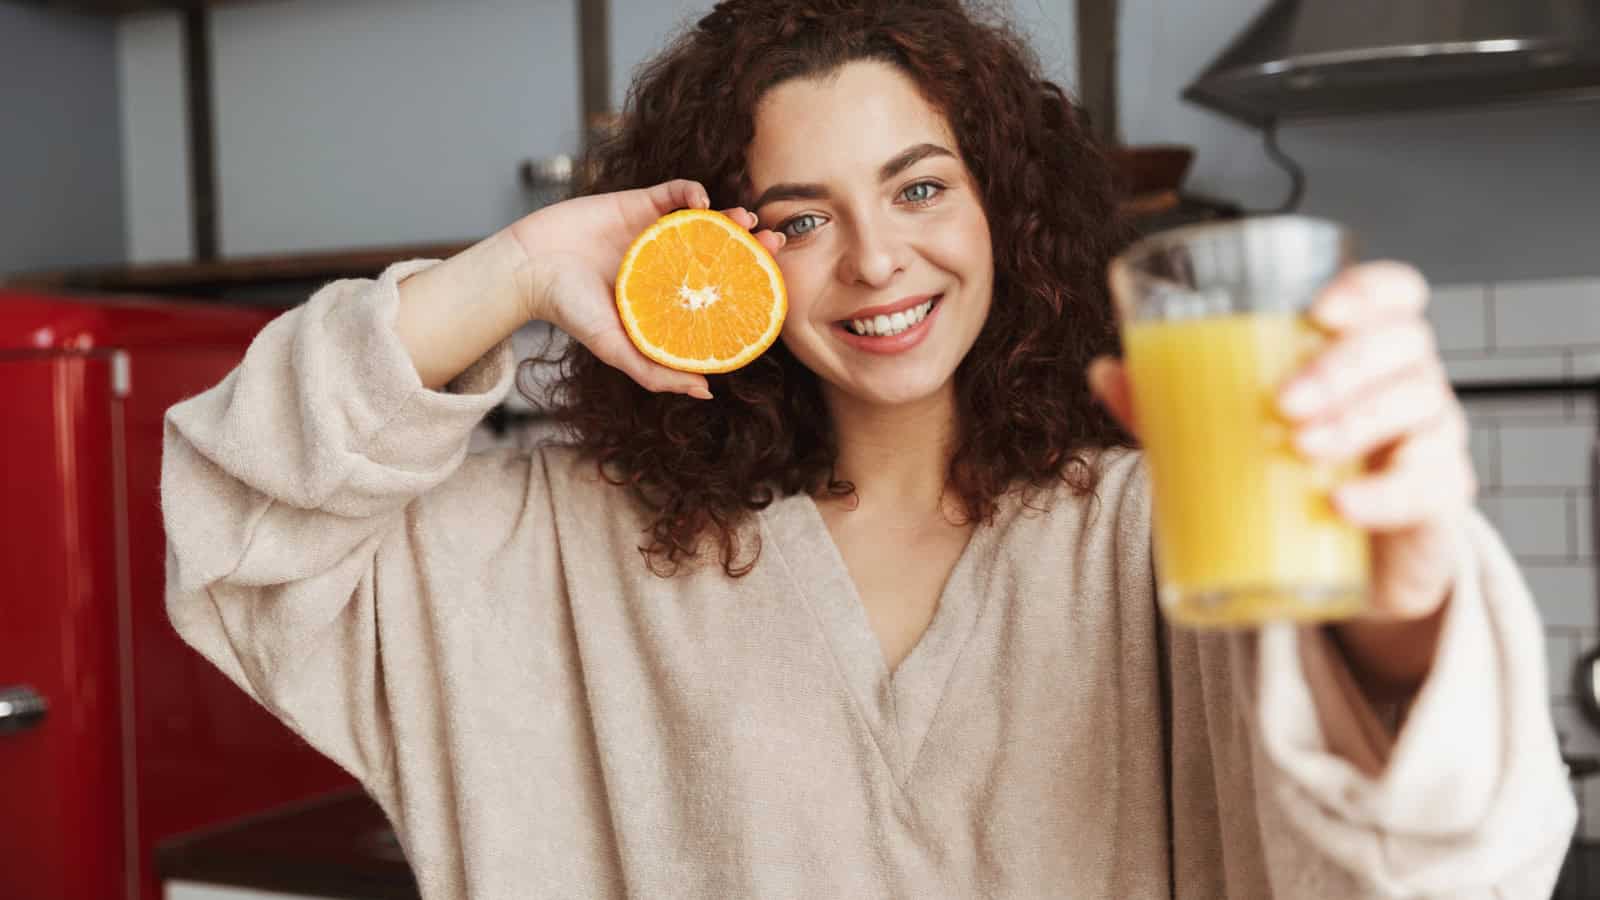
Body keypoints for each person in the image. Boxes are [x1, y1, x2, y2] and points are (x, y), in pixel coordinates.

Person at [160, 1, 1574, 897]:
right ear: (723, 249)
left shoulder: (1171, 523)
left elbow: (1449, 846)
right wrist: (522, 264)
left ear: (1001, 207)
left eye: (918, 186)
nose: (877, 260)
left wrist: (1404, 611)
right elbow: (242, 520)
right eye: (799, 215)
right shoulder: (562, 554)